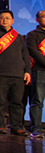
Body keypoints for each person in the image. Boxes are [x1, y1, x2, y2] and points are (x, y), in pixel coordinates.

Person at [0, 9, 31, 136]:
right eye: (2, 18)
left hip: (17, 74)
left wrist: (27, 71)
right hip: (0, 73)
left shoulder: (19, 37)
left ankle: (16, 126)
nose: (5, 20)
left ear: (12, 20)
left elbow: (25, 55)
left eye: (7, 18)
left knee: (17, 103)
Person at [26, 10, 45, 138]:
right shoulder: (32, 35)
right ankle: (36, 129)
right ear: (37, 20)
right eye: (43, 16)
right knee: (37, 100)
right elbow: (33, 52)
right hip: (39, 71)